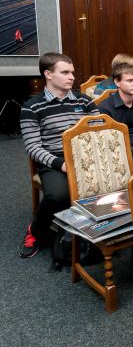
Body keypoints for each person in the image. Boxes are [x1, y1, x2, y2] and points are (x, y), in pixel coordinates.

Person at [19, 53, 99, 258]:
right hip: (54, 160)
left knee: (113, 188)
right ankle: (35, 231)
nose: (71, 77)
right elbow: (33, 147)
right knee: (59, 195)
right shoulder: (32, 107)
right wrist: (61, 164)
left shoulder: (85, 101)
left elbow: (100, 131)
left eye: (72, 72)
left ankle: (95, 236)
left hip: (85, 156)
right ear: (48, 74)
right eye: (65, 72)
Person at [97, 62, 133, 167]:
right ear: (117, 82)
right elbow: (109, 140)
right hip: (119, 150)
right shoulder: (105, 107)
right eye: (129, 80)